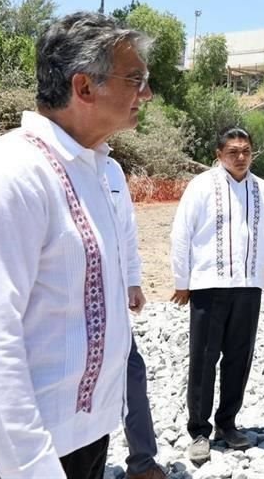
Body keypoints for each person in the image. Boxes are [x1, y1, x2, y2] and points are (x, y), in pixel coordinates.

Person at [0, 12, 153, 478]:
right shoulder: (10, 175)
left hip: (81, 439)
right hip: (8, 456)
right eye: (136, 79)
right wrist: (33, 466)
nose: (148, 94)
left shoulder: (93, 169)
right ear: (84, 87)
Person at [170, 126, 264, 464]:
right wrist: (181, 280)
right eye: (233, 151)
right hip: (208, 284)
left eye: (246, 151)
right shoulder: (202, 185)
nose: (240, 157)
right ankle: (199, 431)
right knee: (204, 359)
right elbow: (182, 233)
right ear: (219, 155)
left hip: (249, 285)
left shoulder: (262, 189)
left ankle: (228, 423)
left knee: (240, 357)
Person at [106, 162, 167, 479]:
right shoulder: (45, 162)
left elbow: (126, 232)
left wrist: (133, 281)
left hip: (112, 303)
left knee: (132, 375)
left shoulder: (112, 169)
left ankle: (142, 462)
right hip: (62, 310)